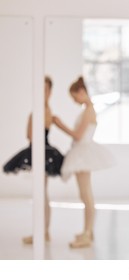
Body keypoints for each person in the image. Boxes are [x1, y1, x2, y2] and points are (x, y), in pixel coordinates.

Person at [53, 76, 114, 248]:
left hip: (83, 152)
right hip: (82, 152)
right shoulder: (87, 109)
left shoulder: (88, 111)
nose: (74, 101)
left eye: (74, 97)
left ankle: (87, 233)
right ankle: (88, 230)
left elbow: (78, 135)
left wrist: (60, 125)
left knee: (86, 194)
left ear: (81, 92)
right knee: (85, 194)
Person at [3, 76, 64, 244]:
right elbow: (29, 133)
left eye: (44, 89)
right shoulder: (39, 110)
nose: (41, 93)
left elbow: (30, 134)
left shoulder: (42, 110)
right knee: (41, 193)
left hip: (41, 151)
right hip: (37, 150)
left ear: (50, 92)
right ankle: (42, 231)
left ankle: (42, 232)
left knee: (41, 194)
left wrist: (31, 120)